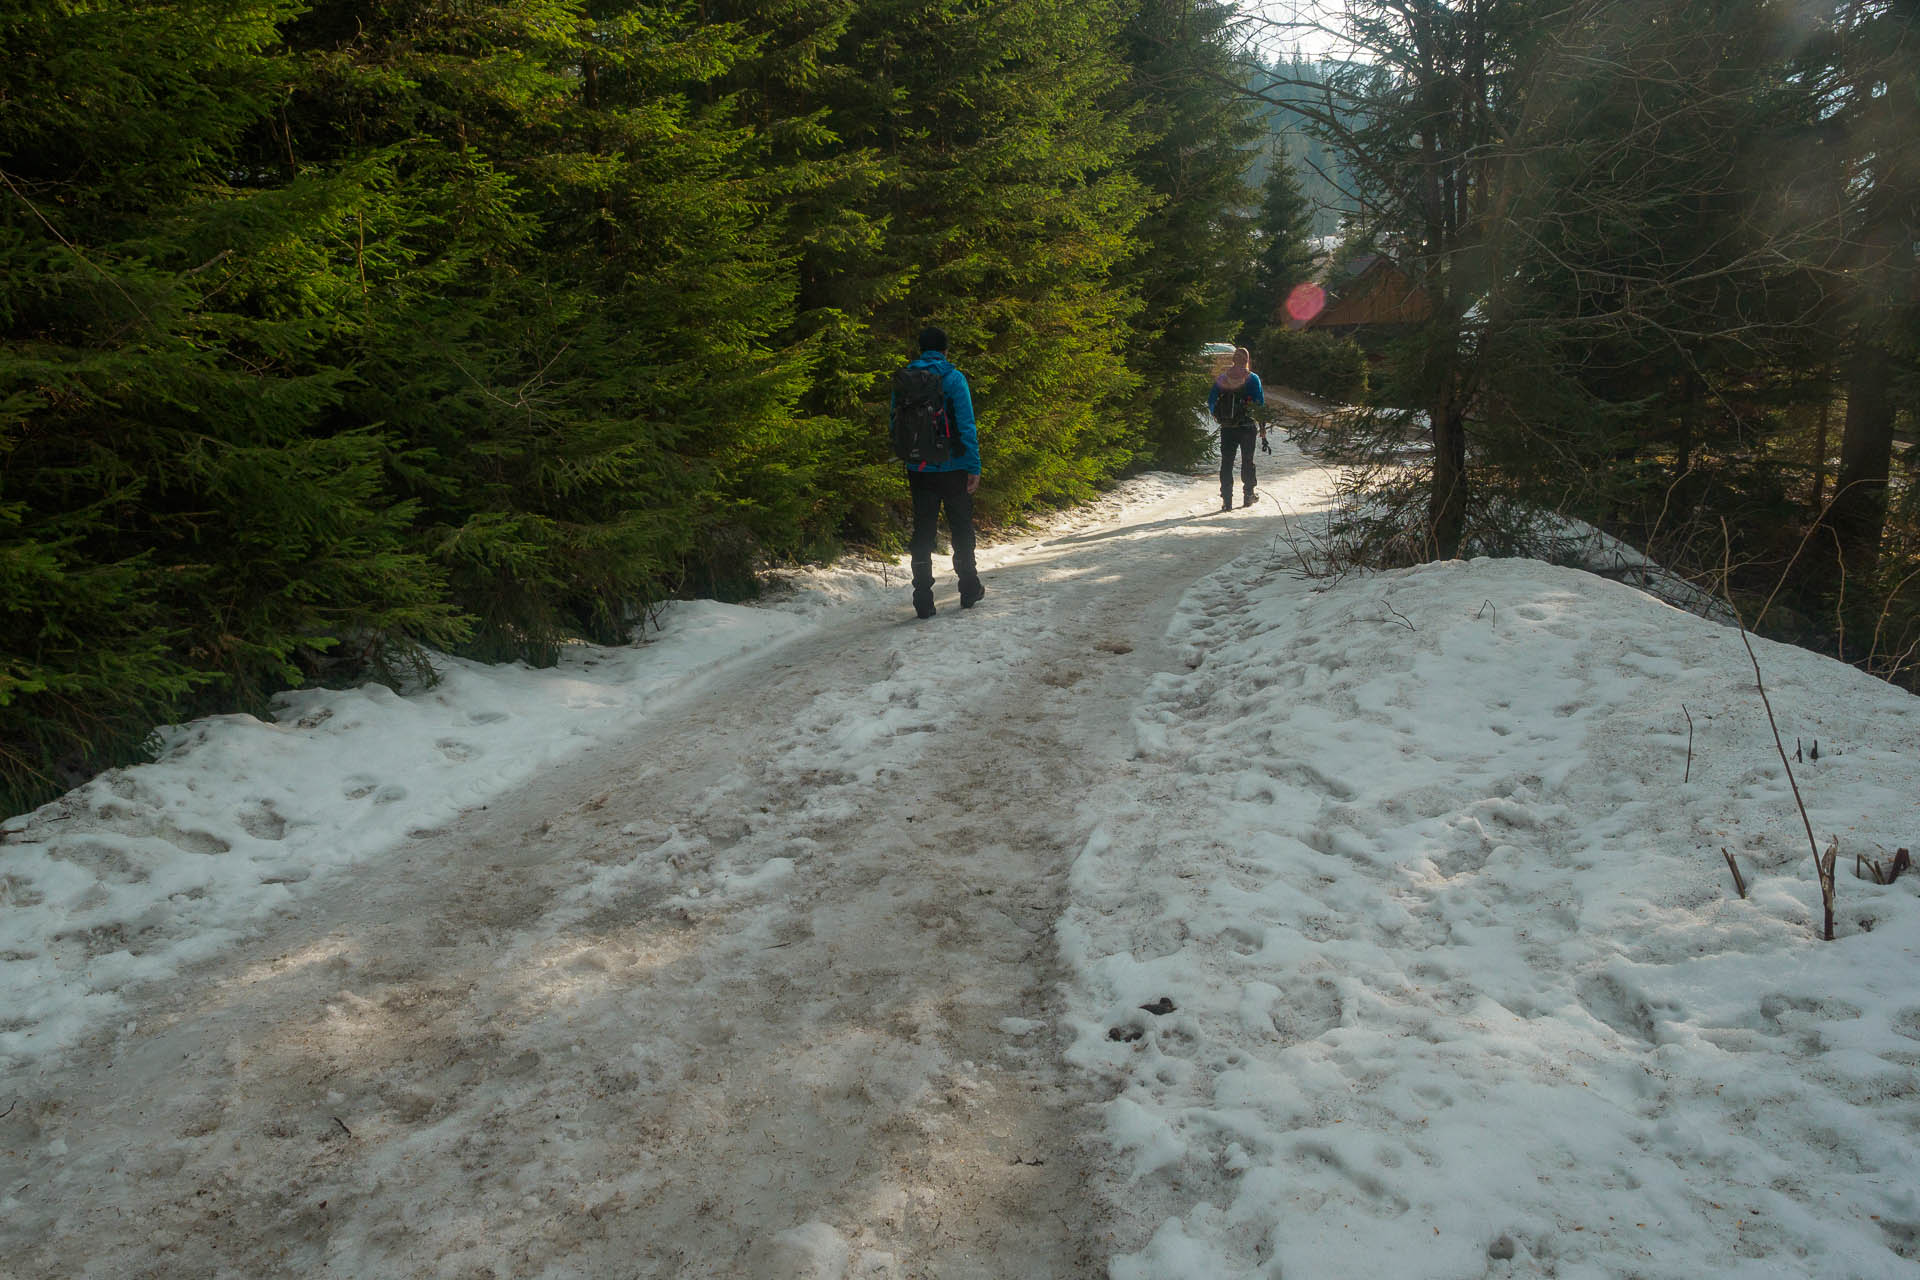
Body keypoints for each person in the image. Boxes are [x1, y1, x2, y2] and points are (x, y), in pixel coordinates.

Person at [893, 325, 983, 619]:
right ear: (945, 350)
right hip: (953, 465)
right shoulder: (953, 378)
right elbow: (967, 426)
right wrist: (973, 466)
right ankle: (969, 588)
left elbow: (896, 425)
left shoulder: (905, 379)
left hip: (918, 467)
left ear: (921, 349)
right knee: (960, 526)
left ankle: (922, 597)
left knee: (923, 530)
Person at [1208, 347, 1265, 510]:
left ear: (1233, 360)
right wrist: (1262, 426)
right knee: (1247, 460)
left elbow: (1211, 400)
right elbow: (1260, 403)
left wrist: (1217, 415)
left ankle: (1227, 500)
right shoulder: (1253, 378)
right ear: (1246, 360)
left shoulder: (1223, 378)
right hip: (1247, 427)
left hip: (1227, 428)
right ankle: (1248, 495)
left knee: (1227, 462)